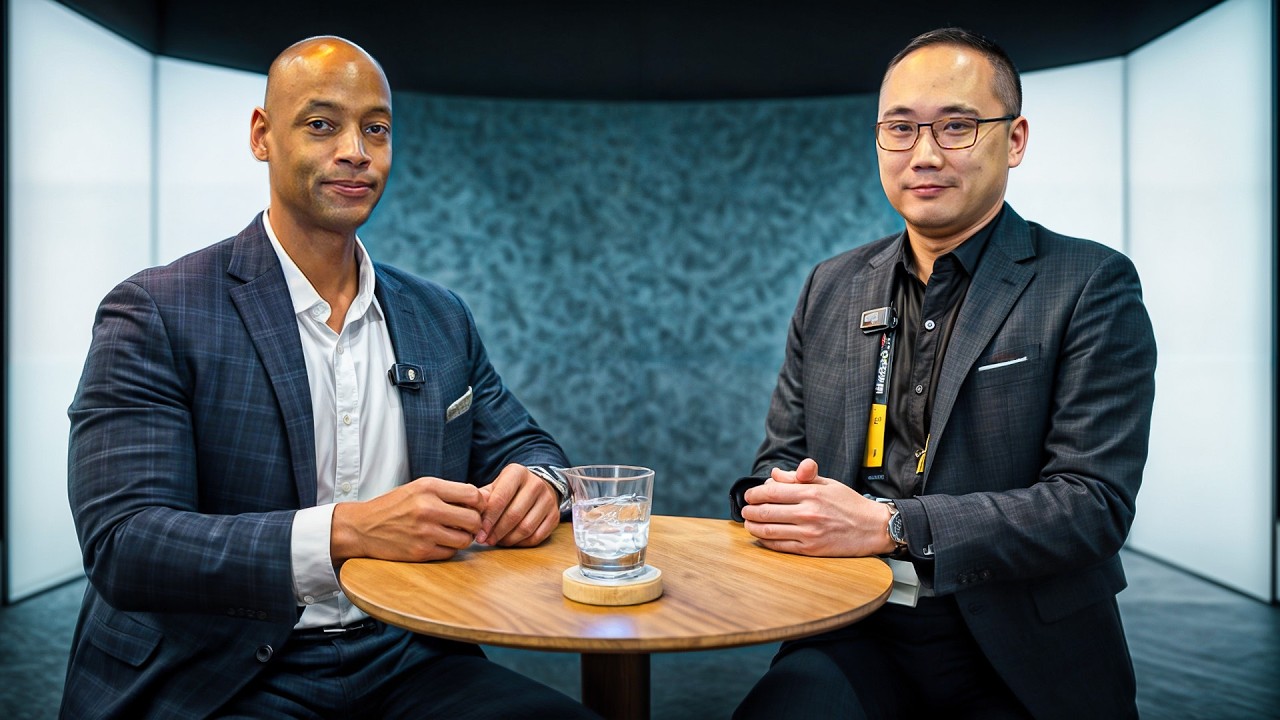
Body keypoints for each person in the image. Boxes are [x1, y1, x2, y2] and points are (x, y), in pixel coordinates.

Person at [61, 36, 597, 720]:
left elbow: (528, 446)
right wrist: (346, 531)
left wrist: (542, 484)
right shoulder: (157, 310)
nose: (356, 151)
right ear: (263, 136)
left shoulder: (438, 315)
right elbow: (126, 543)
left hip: (410, 652)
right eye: (322, 124)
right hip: (221, 668)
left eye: (376, 129)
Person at [732, 27, 1156, 720]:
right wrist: (778, 499)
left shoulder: (1088, 283)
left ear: (1014, 139)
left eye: (957, 127)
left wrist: (892, 525)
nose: (924, 154)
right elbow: (780, 457)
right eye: (900, 128)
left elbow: (1092, 504)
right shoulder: (832, 286)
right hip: (852, 621)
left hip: (1015, 642)